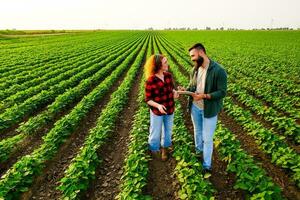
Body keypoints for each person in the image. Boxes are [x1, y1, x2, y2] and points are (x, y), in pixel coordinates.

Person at [178, 43, 227, 173]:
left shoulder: (218, 70)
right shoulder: (194, 70)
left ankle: (206, 165)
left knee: (207, 137)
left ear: (201, 53)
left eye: (193, 56)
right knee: (198, 132)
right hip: (195, 107)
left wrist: (204, 96)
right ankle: (199, 153)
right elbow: (192, 87)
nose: (192, 59)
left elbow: (222, 92)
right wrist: (185, 90)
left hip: (209, 109)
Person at [144, 54, 179, 161]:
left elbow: (171, 89)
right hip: (157, 111)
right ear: (158, 65)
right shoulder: (151, 80)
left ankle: (164, 148)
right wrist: (158, 105)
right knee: (155, 131)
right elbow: (148, 99)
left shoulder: (168, 75)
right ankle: (154, 149)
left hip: (170, 108)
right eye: (165, 62)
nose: (167, 64)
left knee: (168, 131)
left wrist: (175, 93)